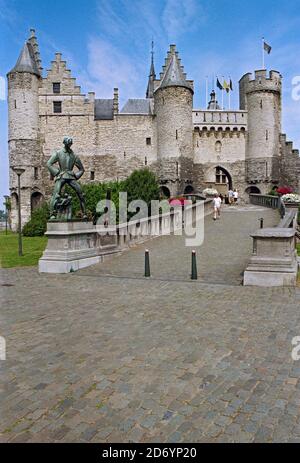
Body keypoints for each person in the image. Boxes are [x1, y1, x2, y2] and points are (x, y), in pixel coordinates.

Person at [47, 137, 87, 219]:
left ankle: (84, 213)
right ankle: (52, 214)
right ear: (64, 143)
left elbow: (82, 169)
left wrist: (76, 176)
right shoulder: (58, 153)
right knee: (56, 193)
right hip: (62, 175)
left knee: (81, 193)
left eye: (70, 144)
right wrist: (56, 173)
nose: (69, 145)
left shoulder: (74, 156)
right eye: (68, 144)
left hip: (71, 176)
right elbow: (49, 164)